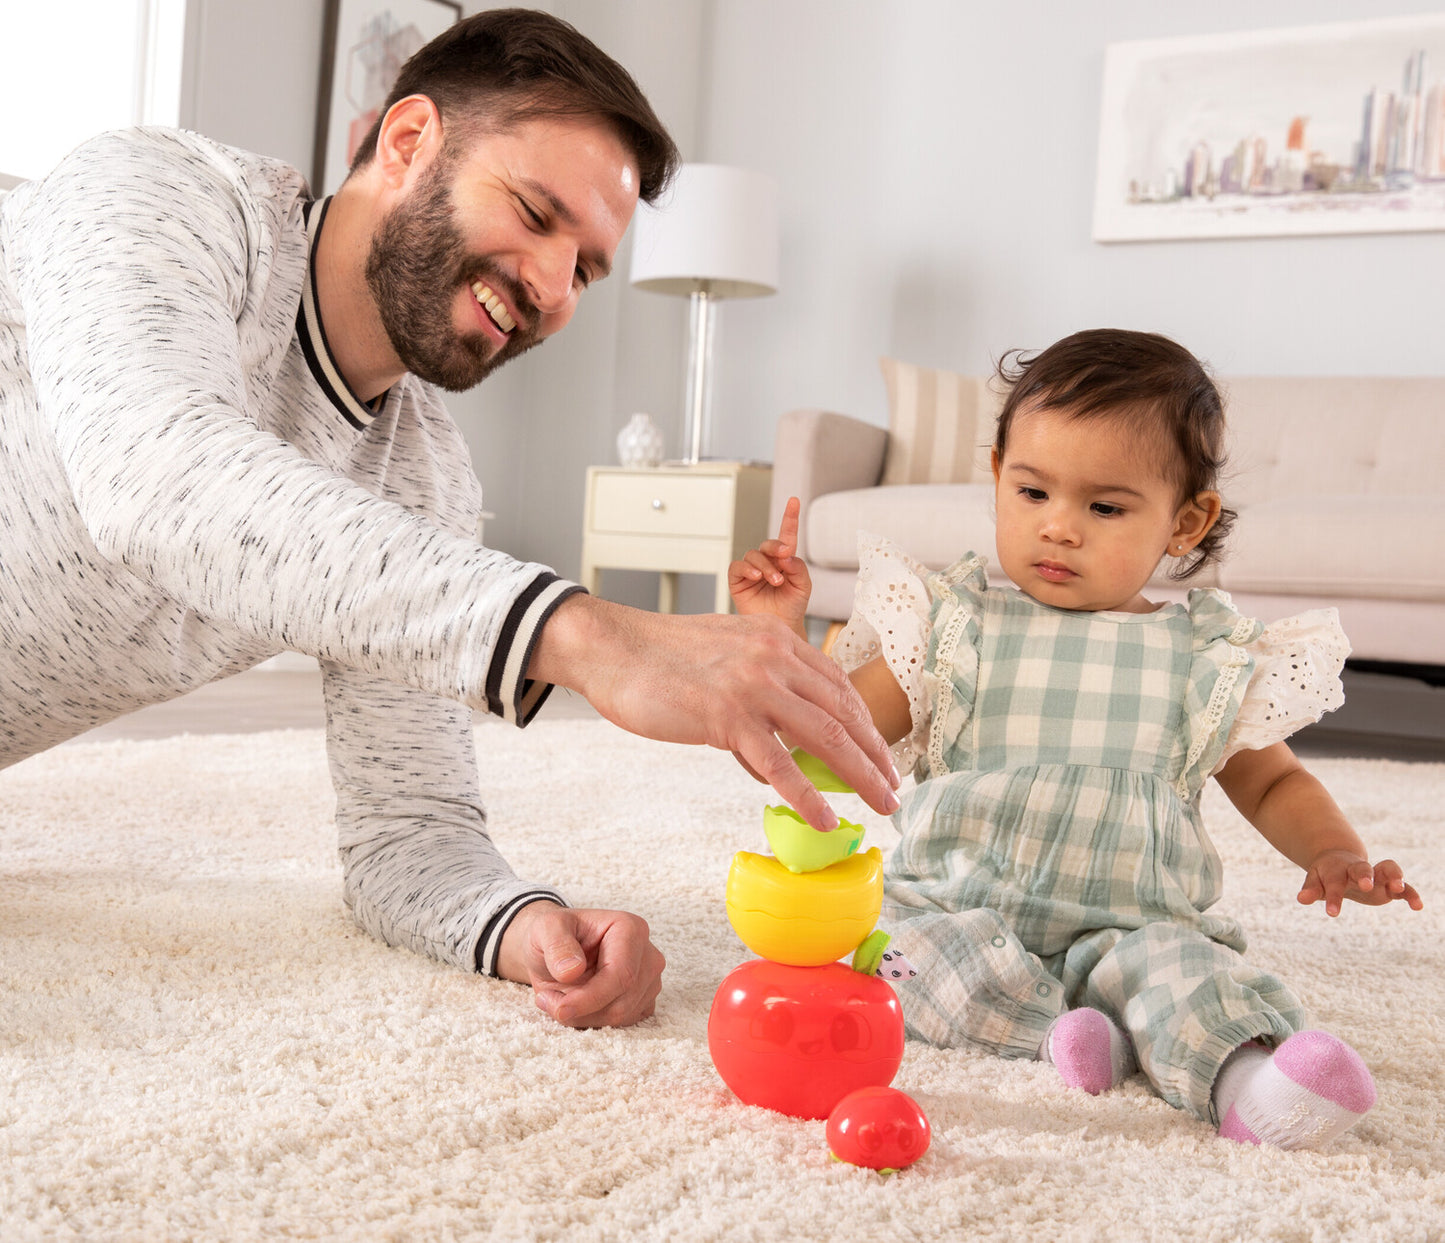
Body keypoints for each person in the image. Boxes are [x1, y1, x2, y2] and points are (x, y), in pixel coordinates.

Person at [0, 9, 898, 1031]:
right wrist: (584, 634)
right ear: (409, 140)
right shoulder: (155, 196)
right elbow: (155, 476)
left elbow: (407, 834)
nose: (554, 288)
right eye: (533, 210)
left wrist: (530, 930)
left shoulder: (418, 479)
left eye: (587, 267)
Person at [729, 328, 1422, 1150]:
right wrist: (776, 633)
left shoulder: (1200, 658)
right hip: (957, 901)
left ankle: (1250, 1083)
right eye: (1032, 494)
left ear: (1184, 521)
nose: (1058, 528)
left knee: (1189, 978)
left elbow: (1273, 784)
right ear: (995, 476)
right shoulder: (952, 629)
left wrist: (1331, 850)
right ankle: (1058, 1033)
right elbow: (834, 740)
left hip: (1131, 922)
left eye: (1103, 506)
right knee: (896, 956)